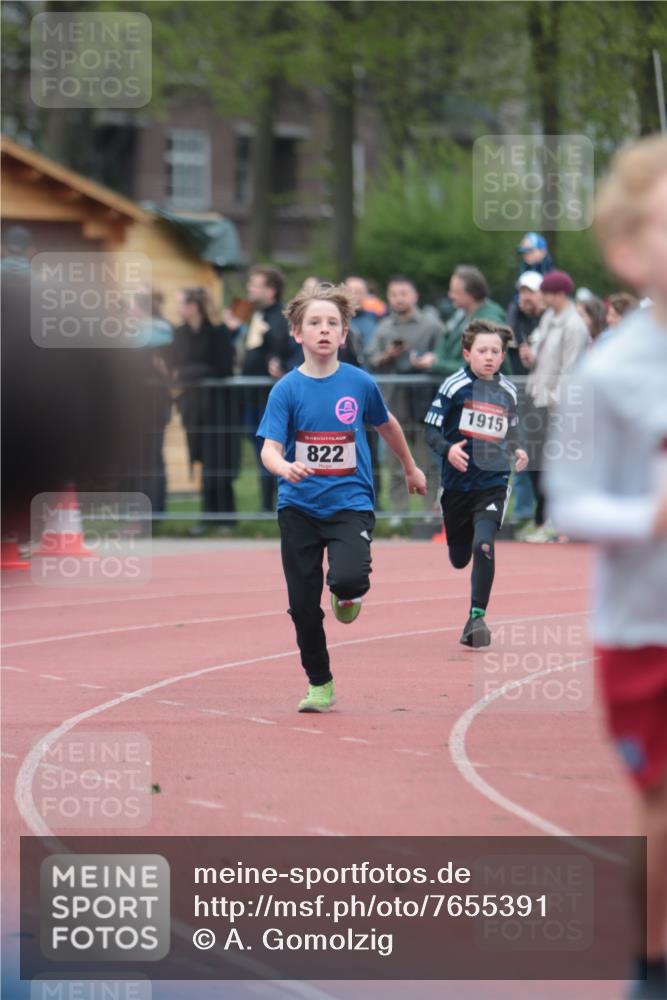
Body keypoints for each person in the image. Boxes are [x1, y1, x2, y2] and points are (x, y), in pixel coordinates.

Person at [545, 134, 667, 1000]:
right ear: (628, 251)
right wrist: (650, 516)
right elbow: (568, 504)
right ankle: (650, 968)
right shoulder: (608, 372)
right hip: (647, 627)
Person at [257, 282, 427, 712]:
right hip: (297, 506)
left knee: (350, 579)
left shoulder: (359, 382)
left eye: (333, 323)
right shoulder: (287, 391)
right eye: (314, 323)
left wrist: (409, 466)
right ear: (297, 333)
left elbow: (386, 425)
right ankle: (320, 683)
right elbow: (269, 449)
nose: (324, 330)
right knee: (301, 606)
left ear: (345, 334)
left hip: (350, 504)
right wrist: (284, 467)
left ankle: (345, 590)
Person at [424, 319, 527, 647]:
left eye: (495, 352)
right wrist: (448, 449)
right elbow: (430, 430)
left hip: (493, 481)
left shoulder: (507, 391)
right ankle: (458, 535)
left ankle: (476, 618)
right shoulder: (454, 386)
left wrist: (519, 449)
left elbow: (512, 431)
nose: (489, 357)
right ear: (467, 353)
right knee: (458, 556)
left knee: (483, 544)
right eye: (482, 351)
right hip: (456, 485)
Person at [518, 269, 590, 542]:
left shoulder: (575, 326)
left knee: (552, 463)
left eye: (546, 293)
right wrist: (528, 355)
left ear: (559, 294)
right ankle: (543, 519)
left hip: (555, 404)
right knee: (535, 462)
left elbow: (570, 369)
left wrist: (560, 406)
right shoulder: (549, 317)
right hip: (537, 395)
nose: (542, 297)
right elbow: (538, 353)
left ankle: (555, 521)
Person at [367, 275, 443, 518]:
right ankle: (398, 514)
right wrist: (388, 355)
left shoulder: (431, 325)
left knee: (427, 458)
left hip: (424, 401)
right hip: (393, 400)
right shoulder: (384, 327)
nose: (399, 299)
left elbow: (443, 354)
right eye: (394, 294)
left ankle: (428, 512)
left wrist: (427, 362)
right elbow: (370, 358)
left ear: (414, 296)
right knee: (394, 460)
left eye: (404, 293)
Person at [225, 265, 296, 512]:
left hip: (269, 398)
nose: (249, 289)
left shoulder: (282, 315)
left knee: (275, 452)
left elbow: (287, 349)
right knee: (260, 453)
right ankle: (266, 505)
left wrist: (276, 358)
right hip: (249, 398)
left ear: (270, 290)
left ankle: (277, 505)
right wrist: (229, 327)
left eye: (255, 285)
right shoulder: (248, 311)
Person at [171, 287, 237, 533]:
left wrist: (191, 372)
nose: (178, 308)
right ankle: (208, 516)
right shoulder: (180, 333)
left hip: (218, 407)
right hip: (193, 407)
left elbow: (223, 368)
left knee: (219, 460)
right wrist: (193, 371)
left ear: (193, 306)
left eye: (181, 303)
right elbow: (177, 366)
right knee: (203, 461)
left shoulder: (217, 333)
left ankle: (226, 518)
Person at [428, 266, 506, 378]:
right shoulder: (461, 314)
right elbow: (445, 339)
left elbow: (476, 366)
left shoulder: (490, 323)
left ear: (471, 294)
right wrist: (436, 359)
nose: (450, 295)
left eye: (455, 292)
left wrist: (436, 364)